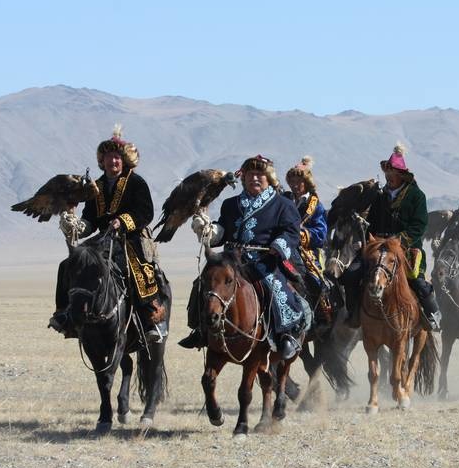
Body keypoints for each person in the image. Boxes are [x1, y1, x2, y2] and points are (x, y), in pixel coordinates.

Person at [182, 155, 309, 359]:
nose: (255, 178)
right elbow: (224, 228)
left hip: (264, 261)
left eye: (260, 174)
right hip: (232, 260)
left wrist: (278, 245)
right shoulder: (231, 204)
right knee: (203, 282)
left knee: (276, 289)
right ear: (244, 178)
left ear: (269, 178)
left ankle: (286, 334)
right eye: (250, 174)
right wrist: (209, 230)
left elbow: (291, 232)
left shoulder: (283, 205)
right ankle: (200, 329)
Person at [50, 126, 169, 342]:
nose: (113, 162)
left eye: (117, 157)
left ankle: (148, 319)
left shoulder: (136, 182)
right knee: (68, 264)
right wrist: (76, 226)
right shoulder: (96, 187)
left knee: (137, 270)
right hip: (102, 240)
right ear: (101, 161)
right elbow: (90, 219)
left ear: (123, 160)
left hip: (131, 238)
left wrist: (122, 222)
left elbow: (146, 212)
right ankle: (64, 314)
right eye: (108, 158)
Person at [341, 143, 442, 331]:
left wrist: (397, 242)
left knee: (418, 283)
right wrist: (366, 234)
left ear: (401, 175)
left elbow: (419, 226)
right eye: (386, 174)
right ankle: (354, 313)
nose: (388, 177)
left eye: (391, 174)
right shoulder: (380, 196)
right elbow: (371, 223)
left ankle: (432, 316)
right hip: (378, 248)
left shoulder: (416, 196)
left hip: (406, 249)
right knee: (350, 275)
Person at [284, 155, 332, 331]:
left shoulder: (316, 205)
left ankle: (322, 317)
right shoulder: (284, 199)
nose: (295, 185)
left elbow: (321, 233)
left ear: (307, 182)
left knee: (315, 281)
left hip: (307, 252)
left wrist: (301, 234)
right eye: (292, 181)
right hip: (282, 247)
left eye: (299, 181)